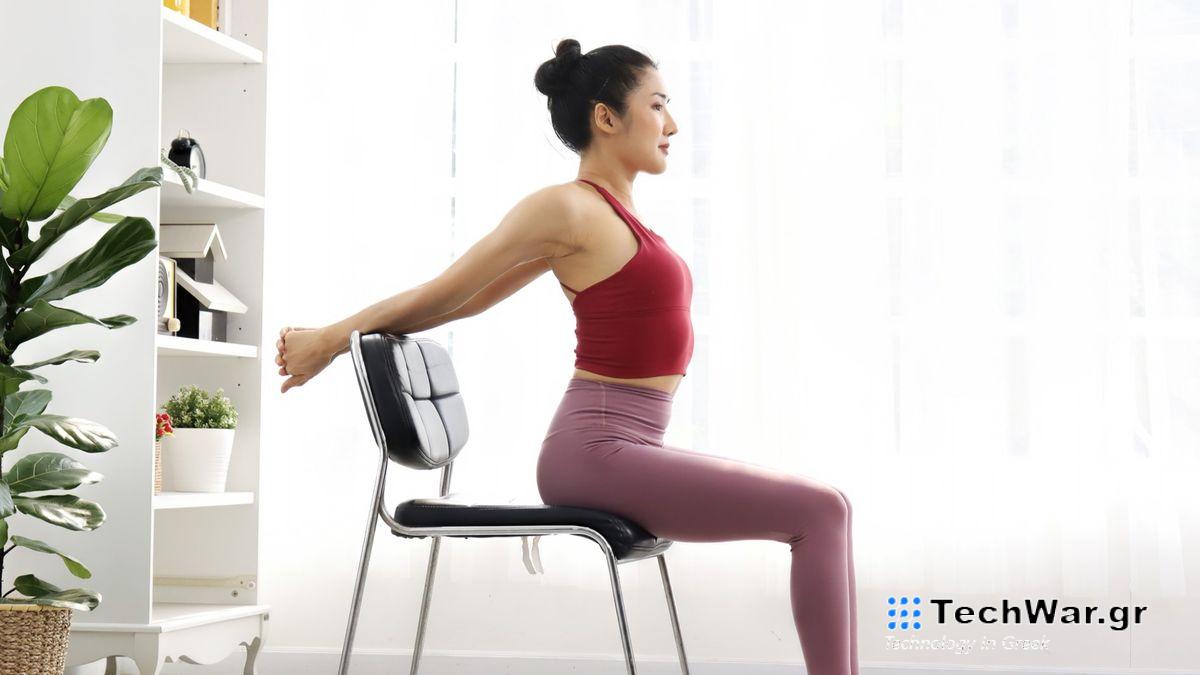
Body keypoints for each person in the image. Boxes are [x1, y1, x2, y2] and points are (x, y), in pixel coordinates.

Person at [275, 38, 859, 675]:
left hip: (629, 446)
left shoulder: (615, 214)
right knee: (820, 510)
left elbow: (462, 306)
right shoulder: (566, 207)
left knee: (828, 508)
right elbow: (447, 293)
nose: (673, 125)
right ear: (606, 117)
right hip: (596, 452)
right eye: (657, 105)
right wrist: (331, 340)